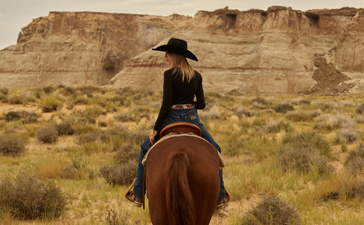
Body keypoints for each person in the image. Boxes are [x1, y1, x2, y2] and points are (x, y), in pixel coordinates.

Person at [125, 38, 229, 209]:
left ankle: (137, 195)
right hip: (192, 118)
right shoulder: (197, 76)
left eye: (168, 53)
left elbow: (166, 104)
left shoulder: (169, 75)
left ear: (175, 55)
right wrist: (188, 105)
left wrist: (155, 129)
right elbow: (202, 104)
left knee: (145, 149)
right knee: (215, 150)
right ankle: (220, 197)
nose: (165, 56)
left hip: (171, 118)